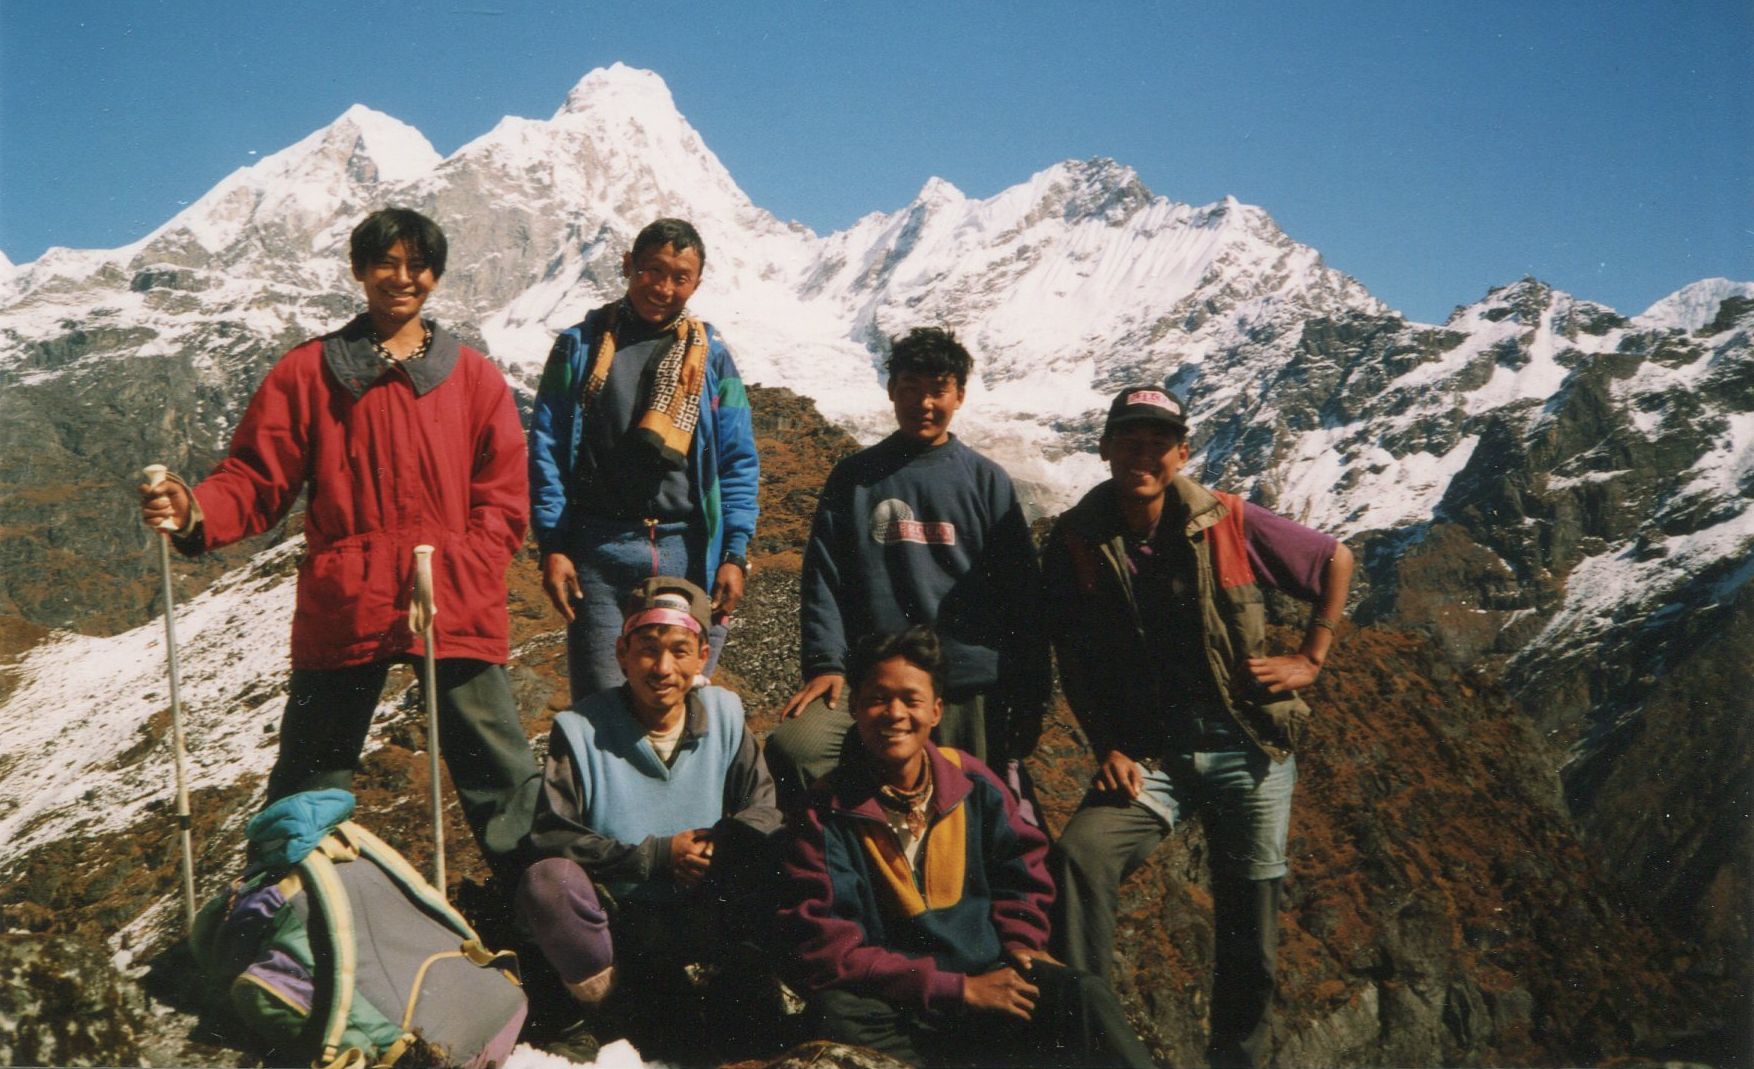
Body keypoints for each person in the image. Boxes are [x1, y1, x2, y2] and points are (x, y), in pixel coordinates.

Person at [138, 208, 539, 875]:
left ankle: (553, 917)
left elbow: (502, 497)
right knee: (310, 776)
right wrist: (196, 509)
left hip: (453, 594)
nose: (401, 278)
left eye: (417, 265)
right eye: (385, 262)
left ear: (435, 276)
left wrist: (470, 563)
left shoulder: (475, 379)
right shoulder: (307, 372)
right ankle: (290, 921)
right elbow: (255, 477)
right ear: (359, 270)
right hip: (347, 595)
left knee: (500, 772)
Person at [1044, 385, 1355, 1068]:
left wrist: (1312, 655)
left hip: (1250, 748)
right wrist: (1107, 745)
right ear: (1105, 449)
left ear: (1183, 453)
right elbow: (1071, 653)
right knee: (1080, 857)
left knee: (1252, 941)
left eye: (1159, 442)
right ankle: (1097, 1051)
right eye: (1130, 439)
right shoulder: (1077, 539)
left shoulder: (1231, 521)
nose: (1143, 454)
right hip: (1154, 757)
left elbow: (1335, 558)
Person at [776, 627, 1154, 1068]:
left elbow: (1022, 872)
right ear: (855, 707)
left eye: (911, 700)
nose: (895, 713)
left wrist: (1022, 941)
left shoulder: (973, 783)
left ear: (936, 710)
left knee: (1082, 994)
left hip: (990, 981)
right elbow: (828, 949)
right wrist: (955, 990)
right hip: (901, 1002)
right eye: (878, 699)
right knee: (838, 1015)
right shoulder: (826, 810)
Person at [765, 326, 1048, 810]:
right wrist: (825, 666)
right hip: (873, 682)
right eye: (911, 389)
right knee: (798, 746)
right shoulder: (855, 479)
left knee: (969, 805)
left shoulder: (985, 481)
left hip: (967, 683)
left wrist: (1029, 691)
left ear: (959, 395)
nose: (924, 404)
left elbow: (1023, 595)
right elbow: (824, 581)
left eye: (938, 390)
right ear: (891, 391)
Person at [516, 576, 781, 1011]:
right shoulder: (580, 729)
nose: (662, 668)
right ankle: (596, 1011)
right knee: (548, 883)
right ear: (622, 654)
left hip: (705, 901)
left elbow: (763, 807)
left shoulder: (726, 715)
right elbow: (552, 836)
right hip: (618, 915)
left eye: (679, 651)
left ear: (702, 657)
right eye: (647, 649)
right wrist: (656, 857)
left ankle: (742, 985)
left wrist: (719, 845)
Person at [528, 218, 758, 702]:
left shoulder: (712, 356)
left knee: (681, 702)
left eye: (681, 277)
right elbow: (547, 448)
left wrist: (733, 553)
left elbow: (737, 461)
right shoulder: (581, 346)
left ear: (698, 282)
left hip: (687, 552)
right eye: (653, 271)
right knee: (601, 704)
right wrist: (554, 544)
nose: (664, 287)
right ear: (628, 265)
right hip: (599, 554)